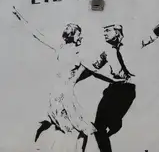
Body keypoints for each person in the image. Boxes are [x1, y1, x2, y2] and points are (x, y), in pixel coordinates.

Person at [89, 12, 159, 152]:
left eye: (107, 30)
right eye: (103, 31)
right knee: (98, 127)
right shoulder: (105, 52)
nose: (104, 34)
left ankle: (115, 124)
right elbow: (94, 67)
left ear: (117, 31)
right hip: (112, 88)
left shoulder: (134, 43)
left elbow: (154, 34)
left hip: (126, 90)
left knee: (112, 123)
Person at [16, 21, 116, 152]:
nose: (81, 37)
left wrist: (21, 19)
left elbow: (39, 35)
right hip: (66, 96)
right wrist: (115, 80)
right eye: (79, 35)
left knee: (54, 124)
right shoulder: (78, 54)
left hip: (54, 95)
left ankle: (38, 146)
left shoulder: (60, 48)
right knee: (82, 129)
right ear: (73, 36)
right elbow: (95, 72)